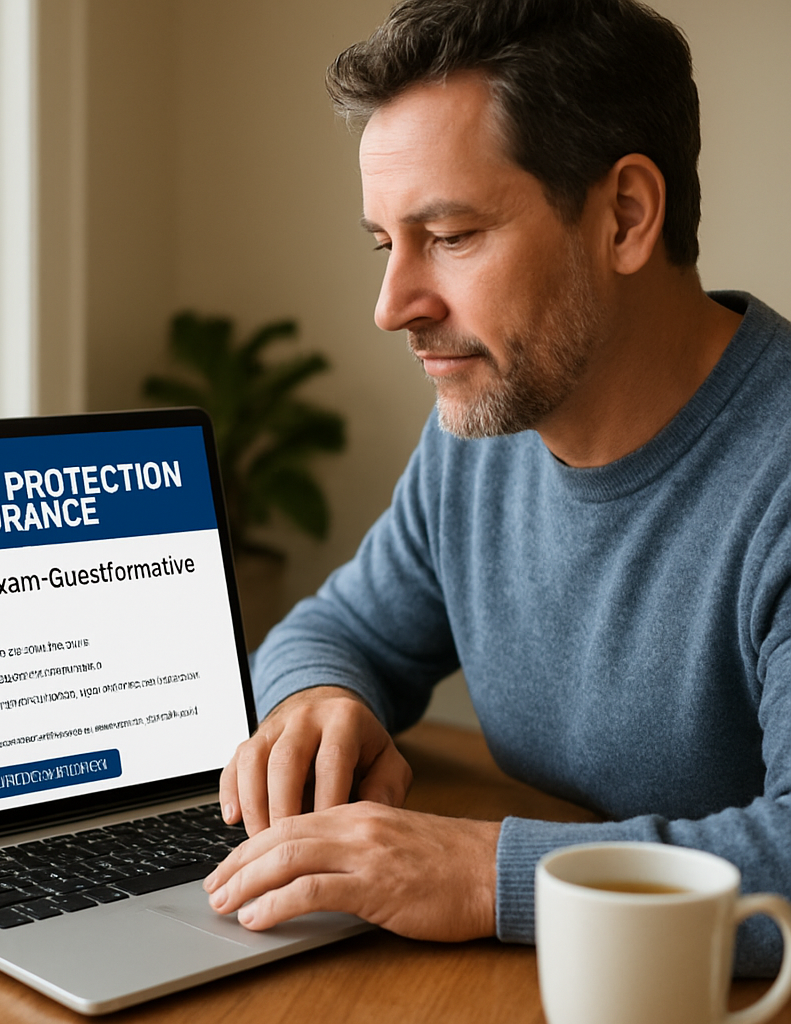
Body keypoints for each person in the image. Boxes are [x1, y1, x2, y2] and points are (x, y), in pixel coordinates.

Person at [202, 0, 791, 976]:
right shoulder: (480, 435)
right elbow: (335, 630)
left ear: (626, 216)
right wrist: (320, 700)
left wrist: (482, 873)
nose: (392, 307)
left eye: (451, 233)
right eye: (385, 242)